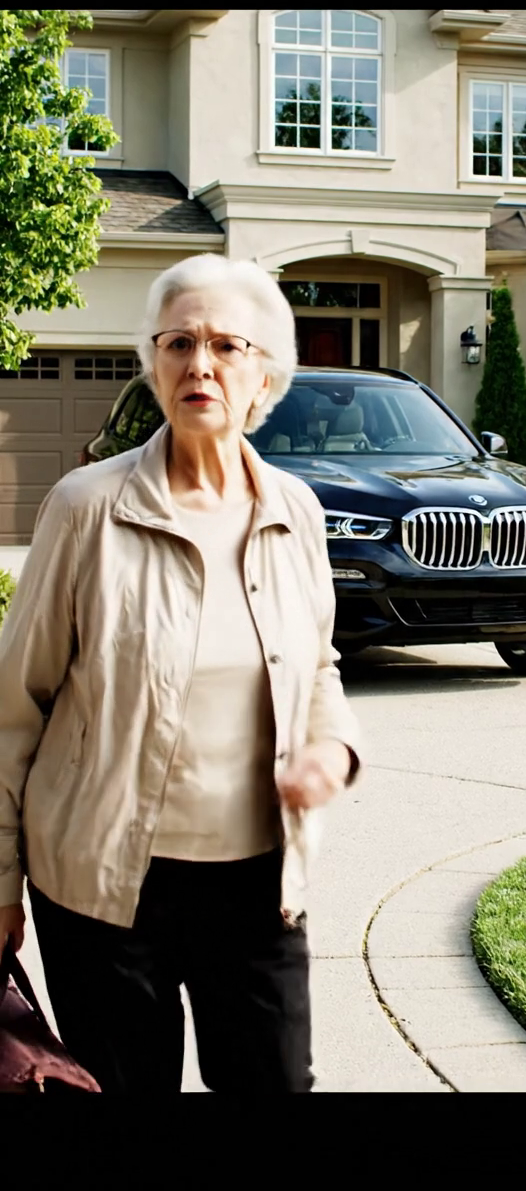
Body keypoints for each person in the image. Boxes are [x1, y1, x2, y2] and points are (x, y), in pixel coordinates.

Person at [0, 254, 362, 1094]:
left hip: (259, 882)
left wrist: (332, 749)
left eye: (226, 345)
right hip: (102, 888)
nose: (200, 364)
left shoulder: (295, 511)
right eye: (179, 342)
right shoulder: (87, 507)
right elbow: (13, 705)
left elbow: (318, 666)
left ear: (263, 372)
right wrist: (1, 876)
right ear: (154, 363)